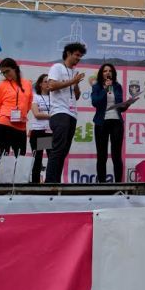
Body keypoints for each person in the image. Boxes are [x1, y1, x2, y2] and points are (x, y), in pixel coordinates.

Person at [45, 42, 86, 184]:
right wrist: (72, 81)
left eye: (80, 56)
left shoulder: (74, 73)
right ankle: (50, 182)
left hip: (72, 114)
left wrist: (76, 86)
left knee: (63, 151)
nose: (78, 58)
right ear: (68, 53)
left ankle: (55, 182)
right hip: (59, 112)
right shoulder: (57, 67)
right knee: (57, 149)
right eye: (76, 55)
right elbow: (51, 86)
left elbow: (76, 96)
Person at [91, 63, 126, 183]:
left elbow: (121, 105)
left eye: (110, 71)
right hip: (101, 123)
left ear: (113, 73)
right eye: (105, 71)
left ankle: (118, 184)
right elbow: (95, 102)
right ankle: (102, 184)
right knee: (102, 156)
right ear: (101, 74)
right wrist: (105, 90)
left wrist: (125, 105)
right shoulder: (97, 87)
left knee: (116, 156)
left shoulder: (117, 86)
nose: (108, 73)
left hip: (116, 122)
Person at [0, 58, 33, 157]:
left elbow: (29, 103)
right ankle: (0, 173)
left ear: (14, 68)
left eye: (7, 71)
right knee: (2, 155)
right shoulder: (1, 86)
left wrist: (21, 115)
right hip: (4, 124)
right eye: (3, 73)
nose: (6, 74)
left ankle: (17, 173)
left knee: (20, 157)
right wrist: (4, 117)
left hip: (21, 125)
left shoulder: (27, 84)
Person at [29, 73, 52, 183]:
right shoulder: (36, 97)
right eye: (45, 81)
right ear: (40, 84)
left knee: (51, 158)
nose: (48, 83)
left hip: (49, 132)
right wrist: (52, 115)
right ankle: (35, 183)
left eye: (49, 81)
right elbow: (37, 114)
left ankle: (50, 182)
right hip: (38, 131)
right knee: (37, 159)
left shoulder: (55, 97)